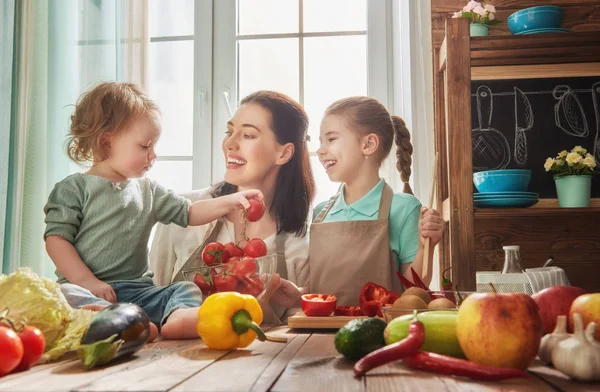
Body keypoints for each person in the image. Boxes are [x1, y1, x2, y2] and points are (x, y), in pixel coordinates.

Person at [44, 82, 262, 339]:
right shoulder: (74, 188)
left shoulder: (149, 191)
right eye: (145, 146)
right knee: (64, 295)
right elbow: (56, 241)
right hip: (85, 289)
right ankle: (114, 319)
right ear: (106, 143)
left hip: (138, 292)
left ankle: (174, 318)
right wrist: (88, 282)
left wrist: (230, 201)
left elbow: (189, 213)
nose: (154, 154)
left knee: (183, 289)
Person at [149, 90, 316, 323]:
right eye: (229, 132)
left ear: (284, 152)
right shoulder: (183, 212)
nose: (229, 143)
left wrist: (266, 311)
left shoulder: (301, 243)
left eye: (248, 135)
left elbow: (294, 337)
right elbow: (150, 300)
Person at [310, 96, 444, 305]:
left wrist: (426, 246)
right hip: (319, 331)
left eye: (331, 139)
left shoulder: (404, 208)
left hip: (381, 331)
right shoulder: (320, 213)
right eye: (320, 142)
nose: (320, 150)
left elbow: (413, 288)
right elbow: (314, 288)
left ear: (368, 144)